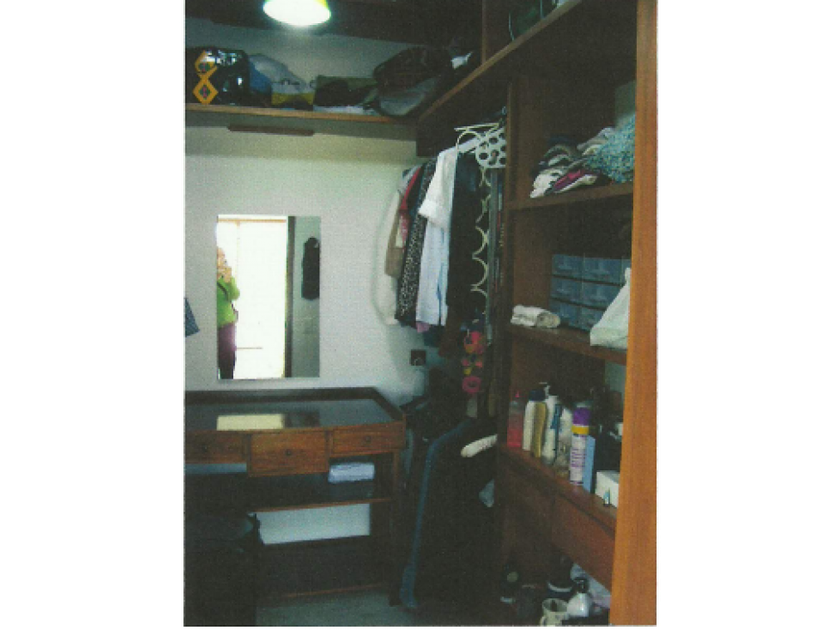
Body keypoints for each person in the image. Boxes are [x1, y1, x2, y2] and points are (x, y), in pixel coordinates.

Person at [216, 247, 240, 379]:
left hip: (226, 326)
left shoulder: (226, 277)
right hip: (209, 327)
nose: (222, 259)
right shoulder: (204, 277)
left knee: (227, 361)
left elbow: (234, 295)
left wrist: (229, 281)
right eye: (218, 256)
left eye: (223, 256)